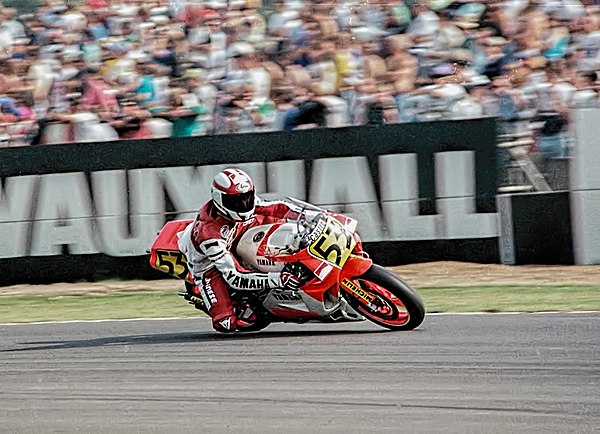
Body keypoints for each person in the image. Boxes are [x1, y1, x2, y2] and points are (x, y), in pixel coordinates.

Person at [178, 168, 304, 333]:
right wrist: (278, 279)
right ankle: (207, 295)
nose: (244, 204)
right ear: (219, 200)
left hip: (239, 232)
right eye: (237, 201)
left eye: (247, 197)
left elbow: (275, 208)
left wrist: (308, 215)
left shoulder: (248, 204)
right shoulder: (209, 235)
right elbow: (235, 277)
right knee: (226, 324)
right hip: (210, 266)